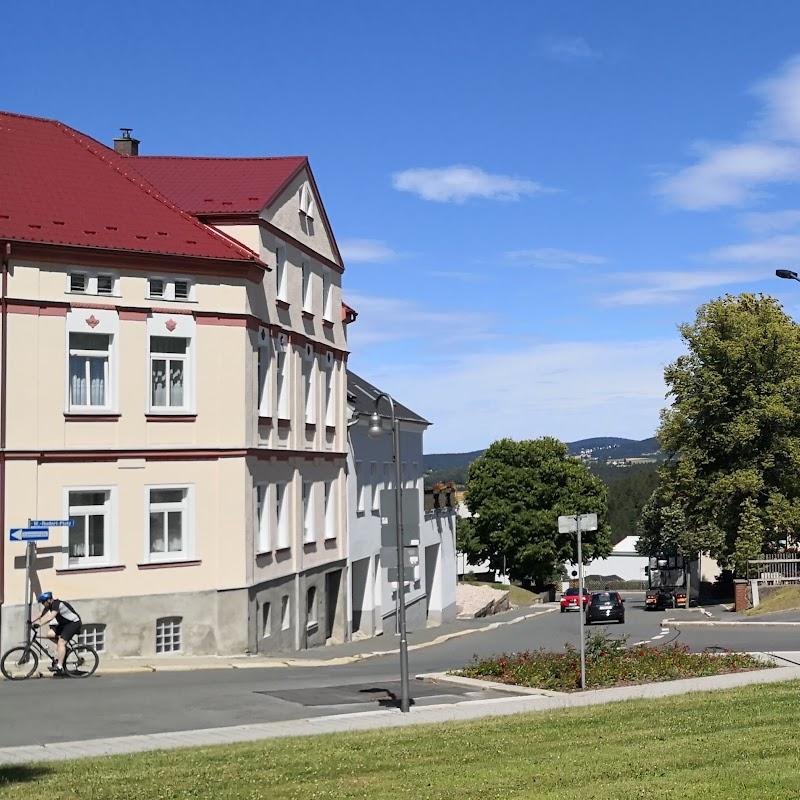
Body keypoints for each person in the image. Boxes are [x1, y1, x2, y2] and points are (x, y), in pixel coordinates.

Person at [30, 592, 82, 676]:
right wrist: (30, 621)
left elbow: (51, 617)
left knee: (61, 642)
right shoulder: (49, 605)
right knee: (50, 634)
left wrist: (39, 624)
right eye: (42, 603)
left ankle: (59, 666)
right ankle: (64, 649)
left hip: (73, 623)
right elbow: (41, 614)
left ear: (49, 600)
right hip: (64, 624)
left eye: (43, 602)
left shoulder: (57, 604)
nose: (43, 604)